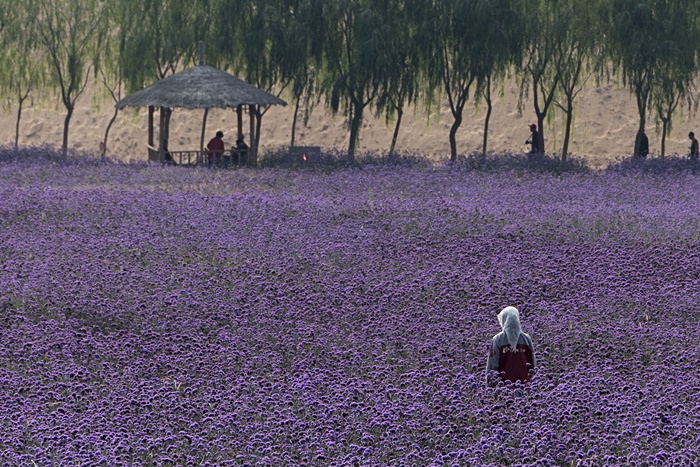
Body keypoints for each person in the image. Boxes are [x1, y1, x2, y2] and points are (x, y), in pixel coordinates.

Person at [486, 306, 536, 386]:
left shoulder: (498, 339)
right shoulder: (526, 339)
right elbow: (533, 365)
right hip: (526, 386)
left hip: (503, 387)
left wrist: (490, 385)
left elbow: (492, 366)